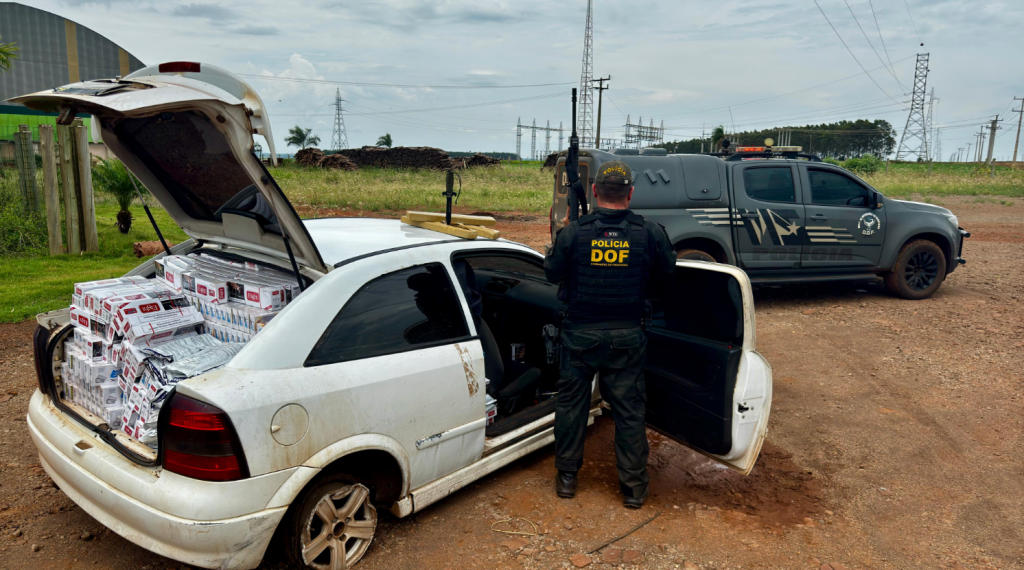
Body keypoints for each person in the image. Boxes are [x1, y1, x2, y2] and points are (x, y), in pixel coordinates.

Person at [544, 160, 676, 508]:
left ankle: (567, 479)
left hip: (579, 336)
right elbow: (668, 273)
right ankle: (634, 489)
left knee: (571, 408)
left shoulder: (574, 232)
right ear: (630, 194)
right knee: (629, 412)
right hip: (627, 336)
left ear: (594, 191)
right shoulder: (650, 232)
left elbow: (552, 273)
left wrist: (566, 232)